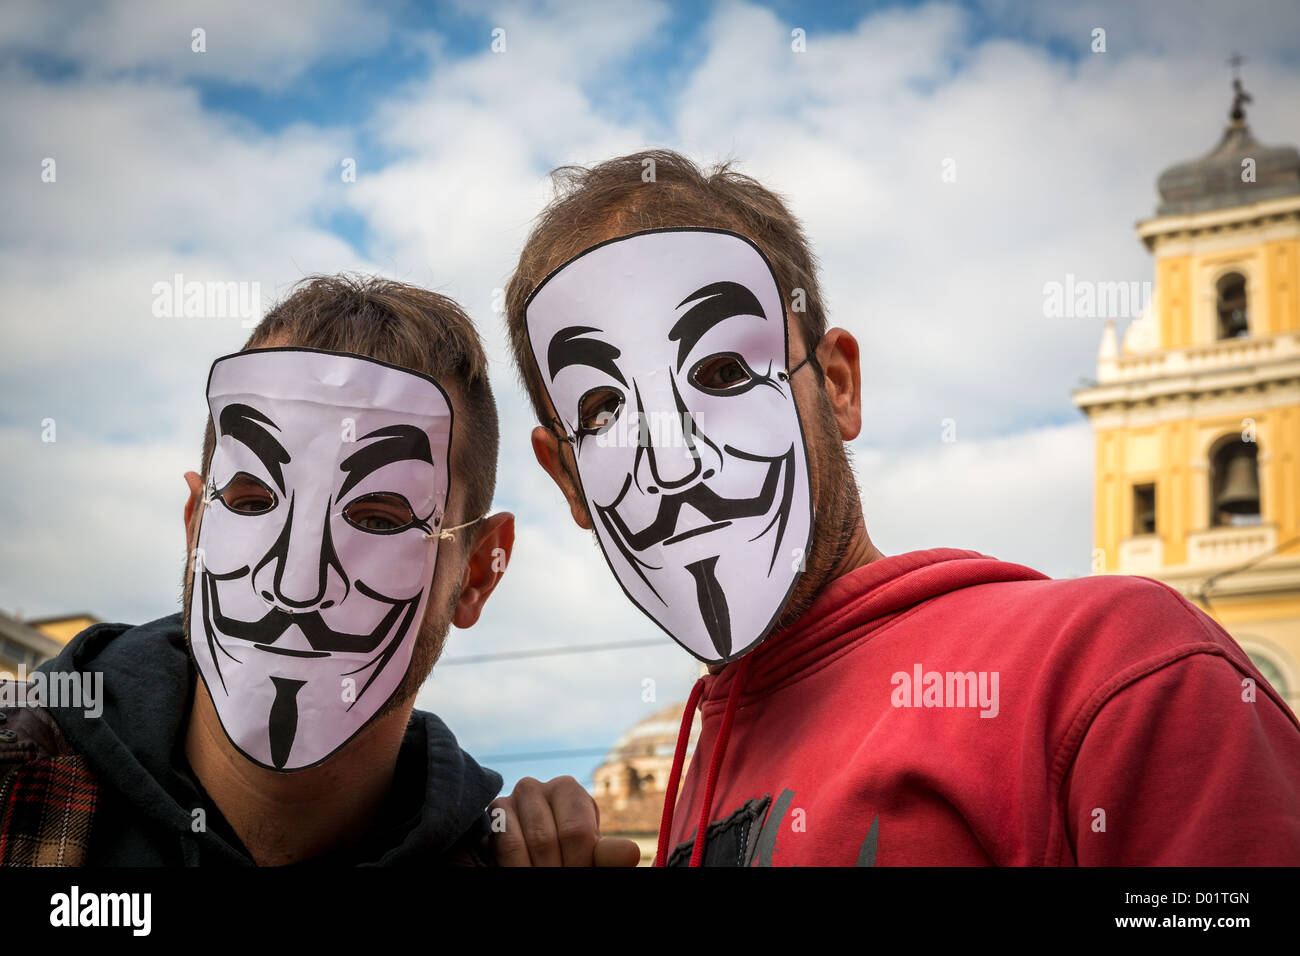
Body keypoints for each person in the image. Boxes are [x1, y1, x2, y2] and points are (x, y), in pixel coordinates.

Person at [503, 150, 1300, 866]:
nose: (671, 464)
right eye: (604, 411)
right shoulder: (696, 773)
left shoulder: (1113, 667)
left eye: (719, 374)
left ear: (840, 385)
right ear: (566, 477)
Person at [0, 275, 637, 868]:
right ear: (196, 527)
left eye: (381, 518)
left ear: (477, 572)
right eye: (252, 502)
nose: (296, 586)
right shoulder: (19, 790)